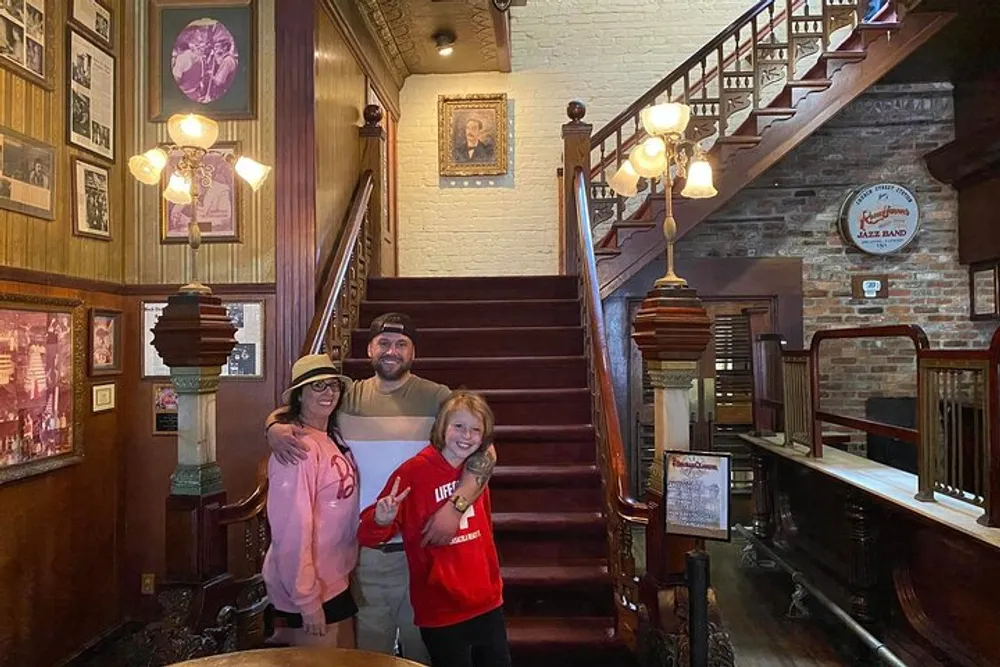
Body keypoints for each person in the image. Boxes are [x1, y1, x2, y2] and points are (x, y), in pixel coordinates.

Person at [265, 312, 498, 663]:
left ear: (413, 353)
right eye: (384, 343)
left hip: (425, 549)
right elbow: (302, 408)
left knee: (424, 651)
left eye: (401, 344)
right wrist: (273, 427)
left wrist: (455, 507)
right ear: (370, 348)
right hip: (367, 554)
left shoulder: (437, 397)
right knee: (371, 653)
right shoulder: (348, 396)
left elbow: (485, 448)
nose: (392, 351)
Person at [358, 391, 510, 667]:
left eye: (475, 430)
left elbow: (490, 452)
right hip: (441, 607)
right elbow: (368, 534)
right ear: (442, 427)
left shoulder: (477, 469)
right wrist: (381, 519)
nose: (466, 436)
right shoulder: (414, 471)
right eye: (459, 427)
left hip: (487, 600)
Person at [261, 354, 360, 647]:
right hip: (308, 588)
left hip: (335, 578)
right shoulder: (296, 450)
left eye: (333, 385)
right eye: (317, 386)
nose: (328, 392)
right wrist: (307, 599)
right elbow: (292, 528)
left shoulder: (331, 436)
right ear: (299, 396)